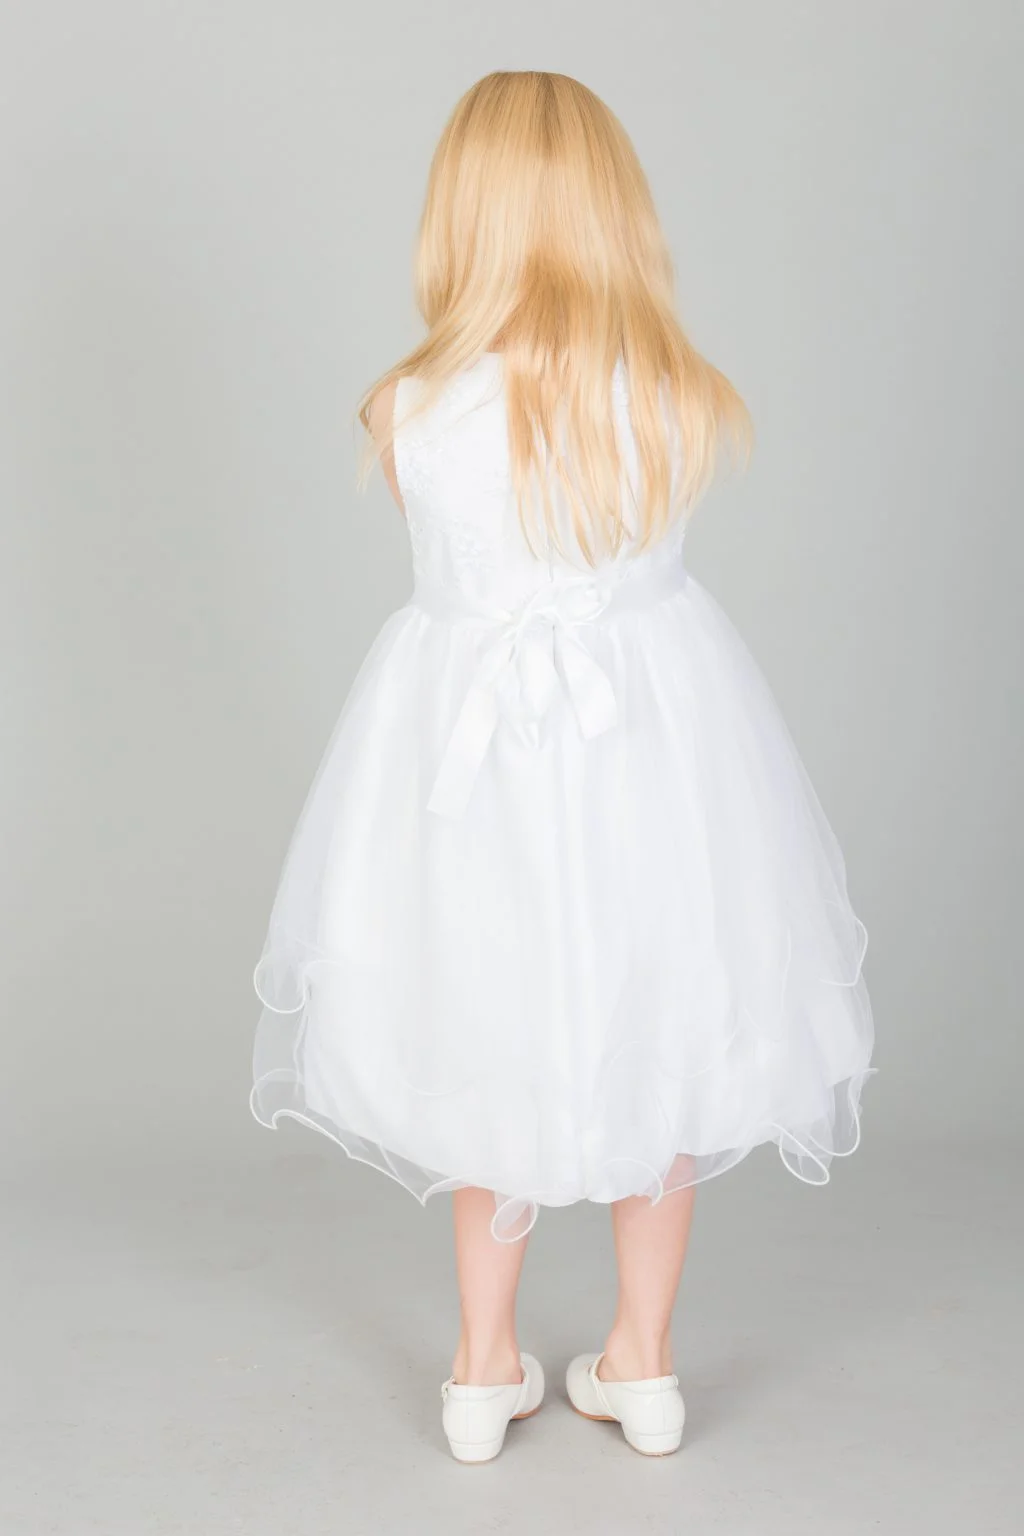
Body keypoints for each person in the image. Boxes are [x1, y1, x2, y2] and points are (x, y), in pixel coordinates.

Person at [251, 69, 874, 1463]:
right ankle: (644, 1364)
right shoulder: (679, 398)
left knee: (490, 1026)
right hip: (654, 754)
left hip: (474, 768)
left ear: (459, 214)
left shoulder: (407, 409)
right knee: (667, 1020)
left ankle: (483, 1372)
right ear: (614, 208)